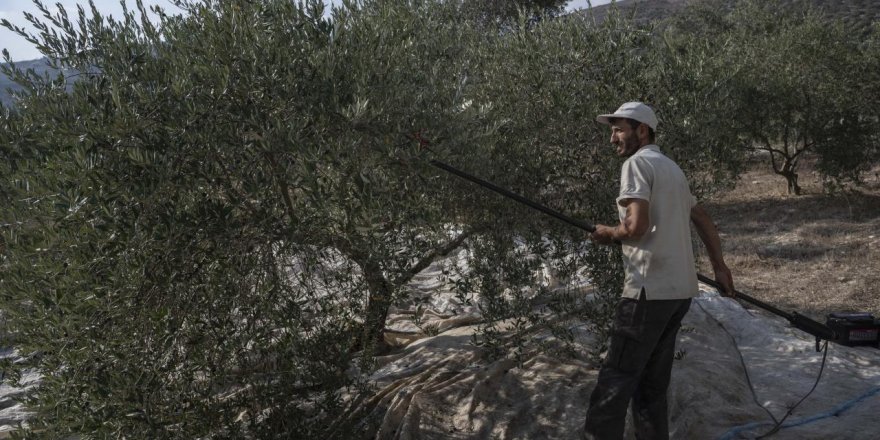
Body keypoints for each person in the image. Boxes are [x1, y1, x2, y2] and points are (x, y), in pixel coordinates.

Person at [583, 102, 734, 440]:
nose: (613, 138)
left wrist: (609, 233)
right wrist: (720, 268)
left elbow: (636, 227)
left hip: (646, 293)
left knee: (613, 385)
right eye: (612, 130)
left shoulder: (636, 165)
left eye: (619, 128)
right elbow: (703, 219)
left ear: (642, 130)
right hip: (679, 293)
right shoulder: (671, 169)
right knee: (651, 390)